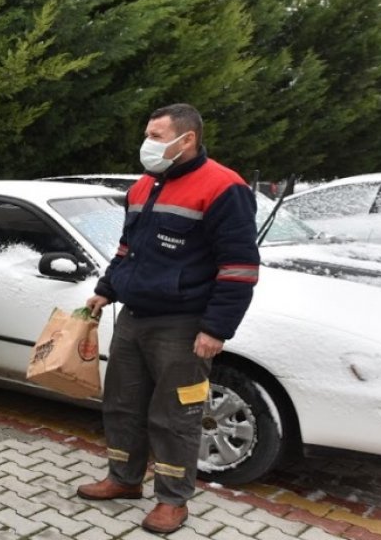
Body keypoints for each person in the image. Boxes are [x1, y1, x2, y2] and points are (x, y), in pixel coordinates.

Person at [78, 104, 259, 535]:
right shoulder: (143, 187)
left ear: (187, 139)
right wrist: (106, 289)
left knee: (175, 415)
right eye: (148, 134)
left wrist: (216, 328)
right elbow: (128, 249)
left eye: (157, 136)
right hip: (134, 318)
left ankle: (172, 500)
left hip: (182, 325)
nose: (148, 144)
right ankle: (123, 480)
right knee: (122, 405)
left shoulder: (223, 187)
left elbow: (239, 267)